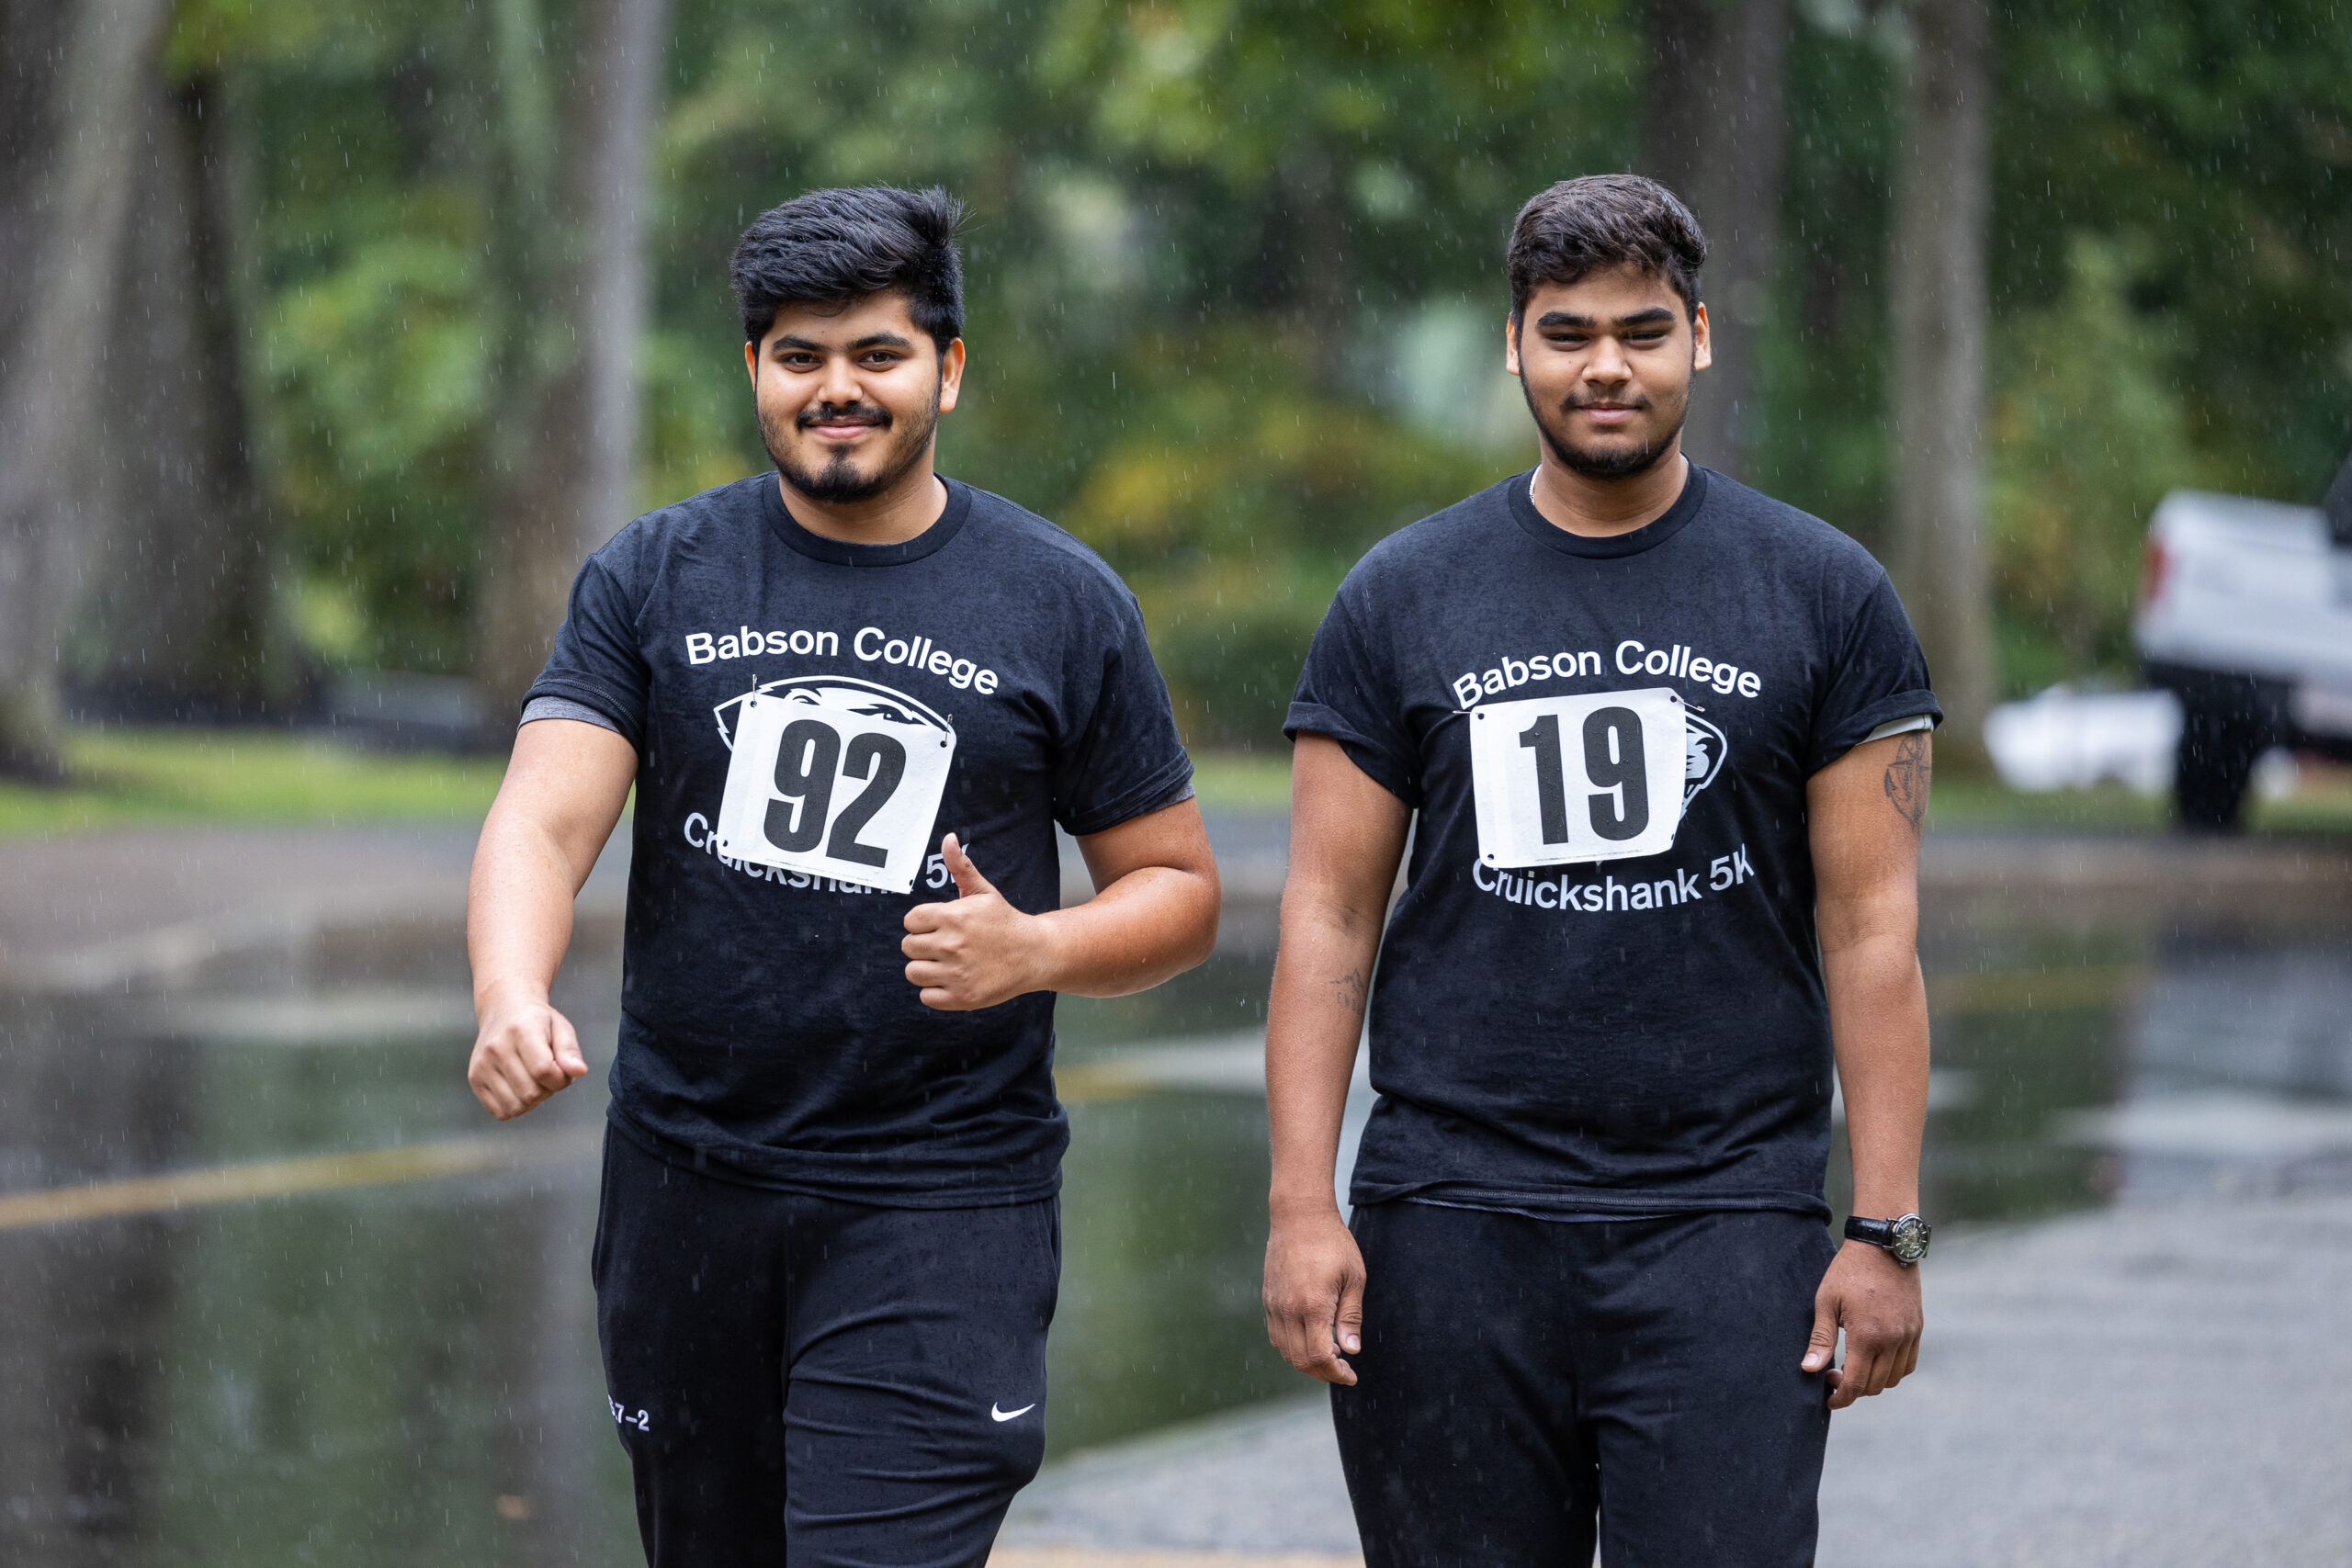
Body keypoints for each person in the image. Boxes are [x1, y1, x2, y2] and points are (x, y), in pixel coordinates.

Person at [464, 185, 1219, 1568]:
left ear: (948, 368)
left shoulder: (1058, 600)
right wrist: (511, 987)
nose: (839, 390)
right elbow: (543, 818)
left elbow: (1178, 892)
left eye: (876, 354)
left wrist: (1039, 950)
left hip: (942, 1201)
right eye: (800, 356)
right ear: (754, 369)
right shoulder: (658, 575)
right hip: (687, 1189)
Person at [1261, 174, 1939, 1566]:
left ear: (1702, 335)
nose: (1606, 366)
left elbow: (1872, 927)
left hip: (1727, 1224)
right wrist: (1299, 1207)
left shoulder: (1823, 594)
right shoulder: (1403, 595)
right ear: (1514, 344)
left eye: (1642, 329)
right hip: (1447, 1225)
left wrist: (1885, 1230)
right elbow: (1327, 919)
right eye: (1568, 333)